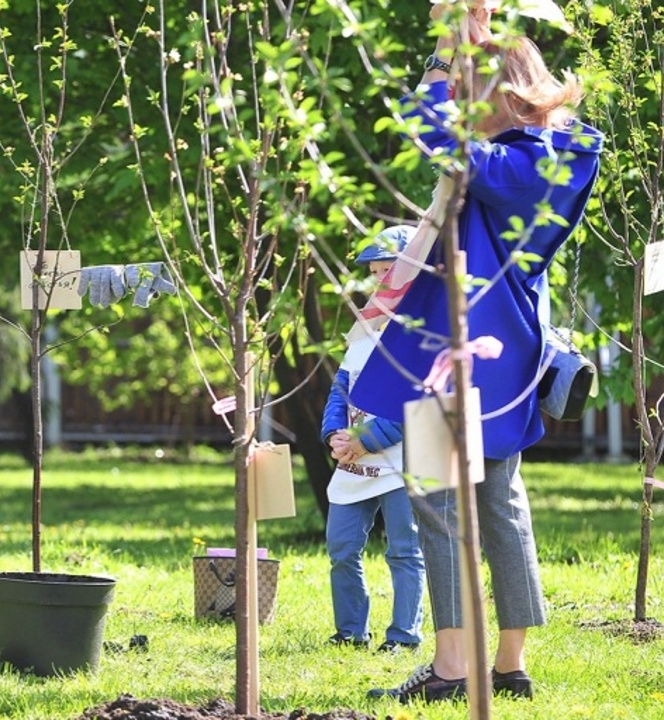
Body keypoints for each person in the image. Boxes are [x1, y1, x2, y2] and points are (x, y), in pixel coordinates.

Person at [352, 6, 603, 702]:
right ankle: (511, 666)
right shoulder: (560, 151)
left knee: (437, 501)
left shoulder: (519, 160)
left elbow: (435, 134)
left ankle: (452, 669)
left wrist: (440, 63)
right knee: (500, 503)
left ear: (499, 94)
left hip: (457, 352)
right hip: (507, 357)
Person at [321, 226, 425, 653]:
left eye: (391, 270)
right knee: (342, 548)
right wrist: (334, 435)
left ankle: (403, 636)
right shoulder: (367, 324)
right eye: (377, 272)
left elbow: (420, 398)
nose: (383, 280)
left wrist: (370, 437)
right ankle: (350, 632)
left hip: (405, 461)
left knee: (404, 550)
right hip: (354, 460)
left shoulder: (422, 329)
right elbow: (341, 387)